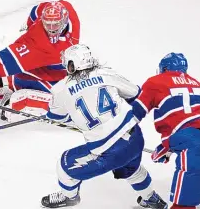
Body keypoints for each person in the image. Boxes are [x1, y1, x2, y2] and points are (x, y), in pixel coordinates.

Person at [41, 44, 167, 208]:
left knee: (64, 165)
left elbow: (56, 116)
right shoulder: (106, 73)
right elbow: (136, 93)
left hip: (108, 150)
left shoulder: (60, 90)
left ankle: (69, 197)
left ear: (71, 65)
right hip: (135, 137)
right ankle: (151, 198)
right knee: (131, 168)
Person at [0, 0, 80, 119]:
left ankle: (14, 102)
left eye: (55, 25)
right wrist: (30, 23)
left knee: (55, 103)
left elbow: (10, 61)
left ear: (63, 20)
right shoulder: (67, 10)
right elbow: (38, 9)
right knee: (11, 80)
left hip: (55, 81)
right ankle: (6, 87)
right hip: (43, 72)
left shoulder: (48, 47)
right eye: (48, 24)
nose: (51, 29)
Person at [130, 53, 200, 209]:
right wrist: (166, 147)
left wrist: (116, 129)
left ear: (165, 68)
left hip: (191, 140)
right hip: (189, 136)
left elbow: (134, 114)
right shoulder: (196, 83)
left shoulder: (155, 82)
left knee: (184, 202)